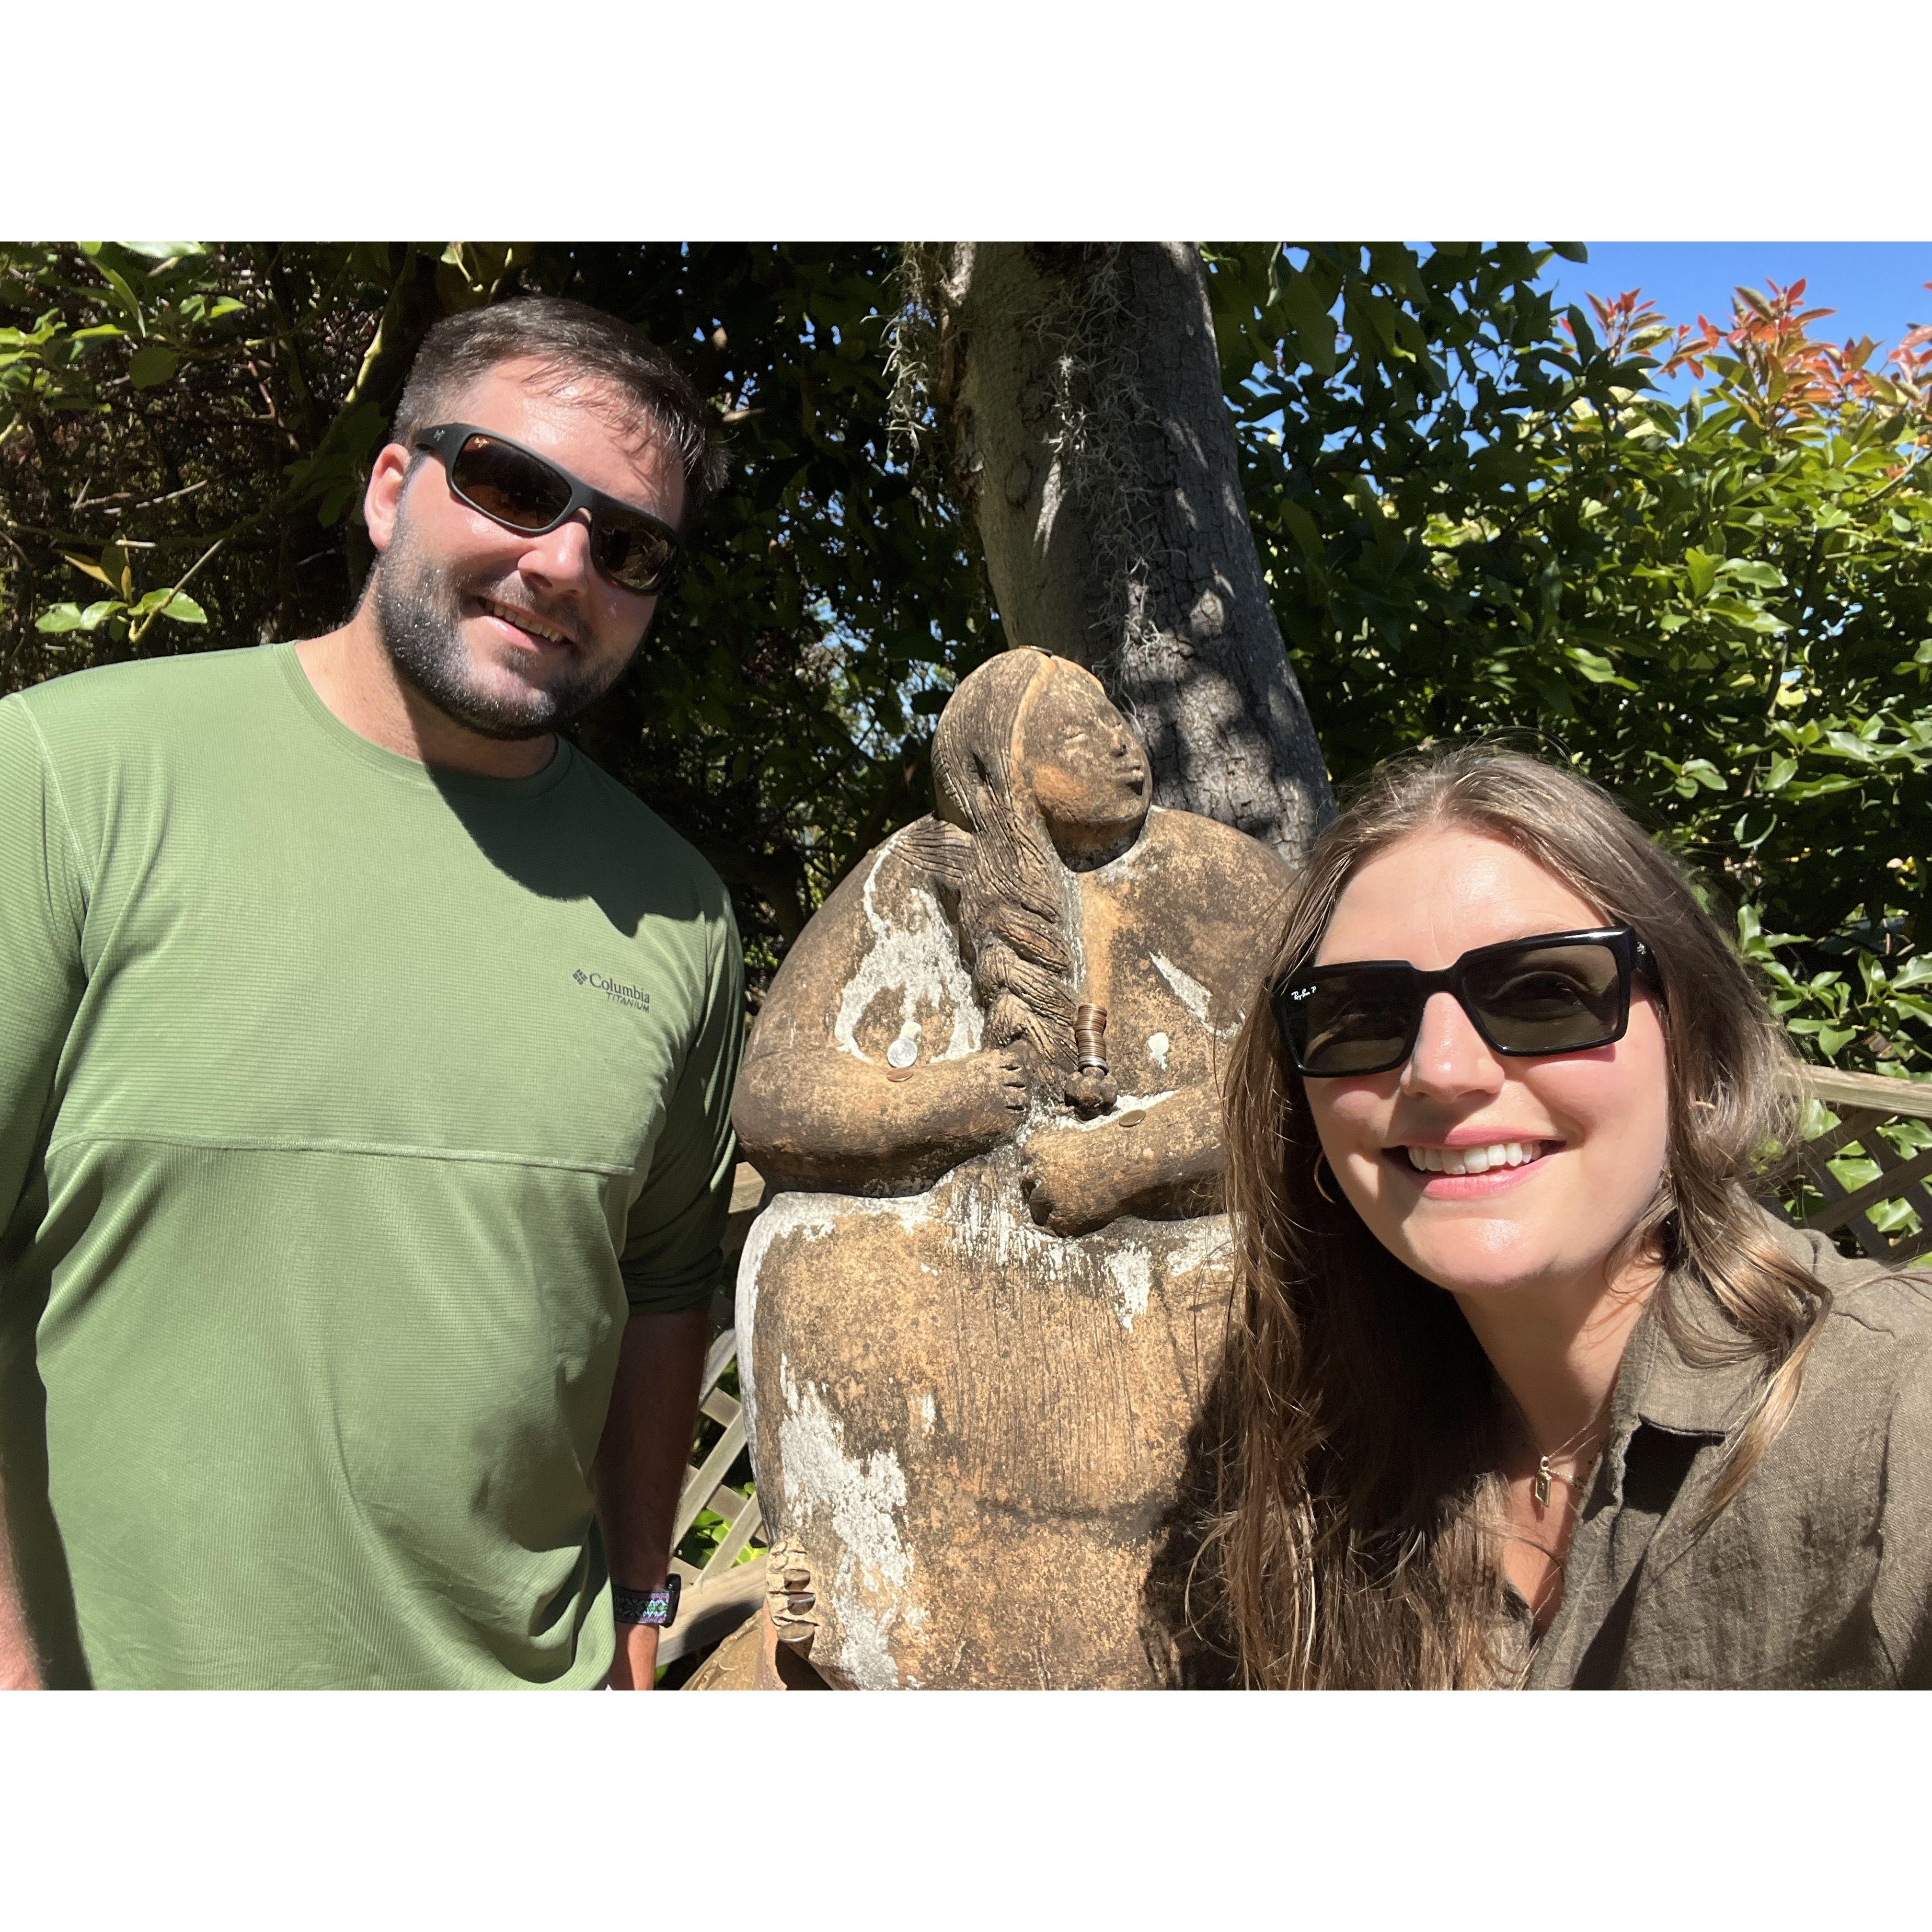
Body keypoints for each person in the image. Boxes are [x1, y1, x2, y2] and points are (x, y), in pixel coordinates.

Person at [0, 297, 743, 1690]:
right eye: (513, 486)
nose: (562, 561)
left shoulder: (680, 912)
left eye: (629, 545)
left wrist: (642, 1594)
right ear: (393, 485)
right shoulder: (63, 779)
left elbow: (664, 1288)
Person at [1211, 743, 1932, 1688]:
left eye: (1545, 991)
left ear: (1695, 1043)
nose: (1441, 1069)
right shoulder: (1321, 1445)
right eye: (1359, 1011)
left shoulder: (1895, 1415)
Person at [731, 648, 1289, 1687]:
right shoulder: (911, 876)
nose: (1125, 743)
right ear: (1000, 770)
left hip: (1172, 1284)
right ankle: (885, 1618)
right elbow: (771, 1099)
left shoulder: (1222, 878)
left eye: (1121, 718)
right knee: (811, 1262)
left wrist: (1132, 1156)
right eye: (1082, 731)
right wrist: (929, 1102)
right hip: (952, 1294)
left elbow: (1309, 1091)